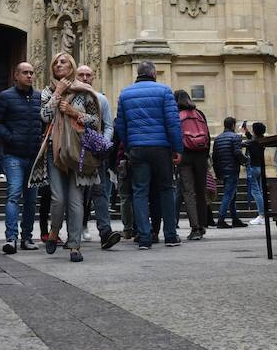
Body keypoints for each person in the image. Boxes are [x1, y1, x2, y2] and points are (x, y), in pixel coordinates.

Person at [39, 53, 103, 262]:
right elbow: (45, 116)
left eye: (63, 61)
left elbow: (95, 121)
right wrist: (57, 92)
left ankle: (75, 245)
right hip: (55, 150)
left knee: (76, 200)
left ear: (72, 66)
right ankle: (54, 230)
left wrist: (74, 113)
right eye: (55, 62)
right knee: (58, 198)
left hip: (78, 149)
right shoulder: (48, 91)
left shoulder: (84, 92)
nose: (58, 64)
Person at [113, 60, 183, 250]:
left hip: (137, 148)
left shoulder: (125, 94)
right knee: (166, 189)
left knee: (139, 192)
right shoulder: (165, 91)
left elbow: (121, 126)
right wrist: (177, 148)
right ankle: (170, 235)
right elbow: (173, 123)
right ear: (153, 74)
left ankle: (144, 237)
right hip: (161, 148)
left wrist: (129, 146)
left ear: (138, 73)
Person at [0, 62, 45, 254]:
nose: (29, 76)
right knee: (13, 195)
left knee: (31, 199)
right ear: (16, 75)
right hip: (13, 155)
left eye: (31, 73)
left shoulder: (39, 97)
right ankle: (11, 238)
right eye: (25, 73)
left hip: (34, 156)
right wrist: (10, 137)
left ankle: (27, 238)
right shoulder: (5, 96)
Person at [77, 64, 122, 249]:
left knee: (100, 192)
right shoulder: (70, 99)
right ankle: (75, 232)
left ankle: (105, 232)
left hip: (96, 154)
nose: (85, 78)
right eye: (81, 75)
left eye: (88, 75)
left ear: (93, 77)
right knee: (76, 194)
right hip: (74, 154)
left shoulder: (101, 99)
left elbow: (108, 125)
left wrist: (103, 143)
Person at [174, 90, 211, 240]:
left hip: (185, 156)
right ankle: (202, 226)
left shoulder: (176, 114)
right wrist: (206, 156)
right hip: (201, 155)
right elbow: (208, 136)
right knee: (201, 191)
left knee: (188, 192)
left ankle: (195, 228)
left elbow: (175, 136)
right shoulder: (199, 113)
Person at [212, 118, 247, 229]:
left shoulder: (218, 139)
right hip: (232, 169)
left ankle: (235, 218)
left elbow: (214, 157)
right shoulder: (235, 137)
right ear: (233, 125)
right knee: (228, 194)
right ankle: (221, 219)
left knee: (232, 194)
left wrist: (217, 173)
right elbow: (237, 152)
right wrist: (246, 161)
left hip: (222, 170)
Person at [244, 122, 269, 225]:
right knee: (261, 191)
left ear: (254, 131)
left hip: (253, 168)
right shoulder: (262, 140)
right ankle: (263, 214)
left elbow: (248, 142)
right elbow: (253, 139)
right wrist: (246, 132)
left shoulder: (251, 143)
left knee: (255, 192)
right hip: (260, 167)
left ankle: (262, 215)